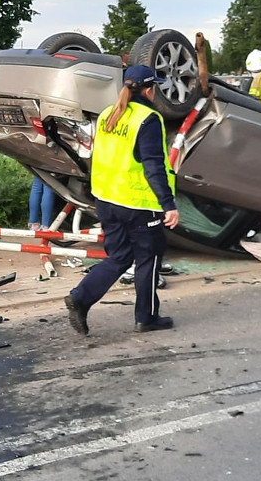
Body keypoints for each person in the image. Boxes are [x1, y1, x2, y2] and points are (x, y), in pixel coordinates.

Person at [64, 65, 179, 335]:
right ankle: (147, 317)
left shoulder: (108, 114)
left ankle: (81, 297)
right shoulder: (147, 119)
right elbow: (153, 165)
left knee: (120, 256)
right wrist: (168, 204)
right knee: (148, 259)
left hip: (107, 199)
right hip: (138, 204)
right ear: (150, 90)